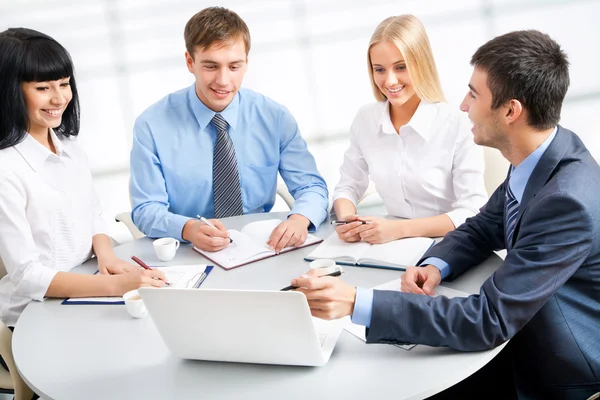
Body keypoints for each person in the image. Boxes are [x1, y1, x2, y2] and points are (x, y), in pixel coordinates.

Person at [291, 30, 600, 398]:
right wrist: (437, 264)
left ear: (511, 111)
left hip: (555, 365)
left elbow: (489, 320)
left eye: (474, 94)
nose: (464, 105)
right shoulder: (543, 154)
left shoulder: (566, 200)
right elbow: (485, 226)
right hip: (520, 325)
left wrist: (357, 302)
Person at [0, 28, 167, 328]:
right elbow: (27, 275)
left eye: (64, 84)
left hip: (86, 289)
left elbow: (92, 215)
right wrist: (117, 287)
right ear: (10, 90)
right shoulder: (6, 170)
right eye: (42, 88)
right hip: (33, 315)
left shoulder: (71, 150)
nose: (59, 97)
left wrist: (108, 258)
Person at [129, 7, 329, 253]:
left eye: (234, 67)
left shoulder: (274, 117)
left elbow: (311, 187)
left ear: (246, 63)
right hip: (190, 251)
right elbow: (146, 208)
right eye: (211, 66)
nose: (223, 81)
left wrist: (300, 218)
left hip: (262, 248)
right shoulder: (152, 125)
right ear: (190, 62)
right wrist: (188, 228)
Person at [332, 15, 486, 244]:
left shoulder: (456, 122)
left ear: (421, 63)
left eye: (401, 67)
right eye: (380, 69)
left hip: (449, 243)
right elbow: (348, 186)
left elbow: (471, 210)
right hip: (389, 244)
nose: (390, 81)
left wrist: (399, 229)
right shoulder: (366, 119)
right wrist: (348, 221)